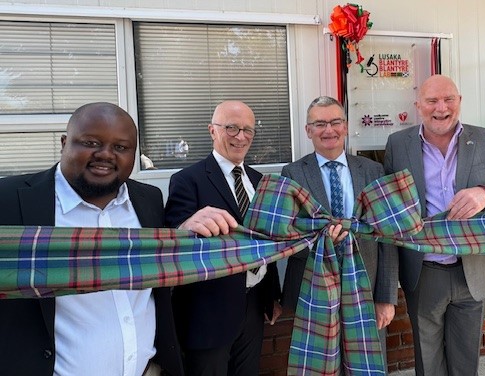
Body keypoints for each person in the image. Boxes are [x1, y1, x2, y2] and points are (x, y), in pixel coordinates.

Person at [0, 102, 183, 376]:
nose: (105, 155)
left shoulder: (149, 199)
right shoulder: (10, 199)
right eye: (91, 142)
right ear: (64, 143)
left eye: (121, 147)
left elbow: (162, 262)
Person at [383, 75, 485, 376]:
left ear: (459, 102)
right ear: (418, 106)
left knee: (466, 358)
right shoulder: (398, 144)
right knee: (427, 361)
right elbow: (390, 207)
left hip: (473, 268)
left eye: (448, 99)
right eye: (432, 101)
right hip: (424, 270)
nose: (441, 108)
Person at [164, 100, 282, 376]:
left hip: (254, 306)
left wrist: (272, 296)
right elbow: (174, 236)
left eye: (247, 130)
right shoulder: (187, 179)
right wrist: (186, 226)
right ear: (212, 131)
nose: (241, 137)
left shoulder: (261, 181)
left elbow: (268, 241)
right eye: (231, 128)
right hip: (208, 311)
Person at [280, 96, 399, 353]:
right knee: (320, 363)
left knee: (367, 363)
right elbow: (288, 233)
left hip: (365, 284)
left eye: (335, 122)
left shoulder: (373, 171)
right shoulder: (292, 174)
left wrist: (386, 297)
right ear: (308, 130)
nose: (329, 130)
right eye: (320, 123)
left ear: (345, 126)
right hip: (314, 287)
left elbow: (387, 237)